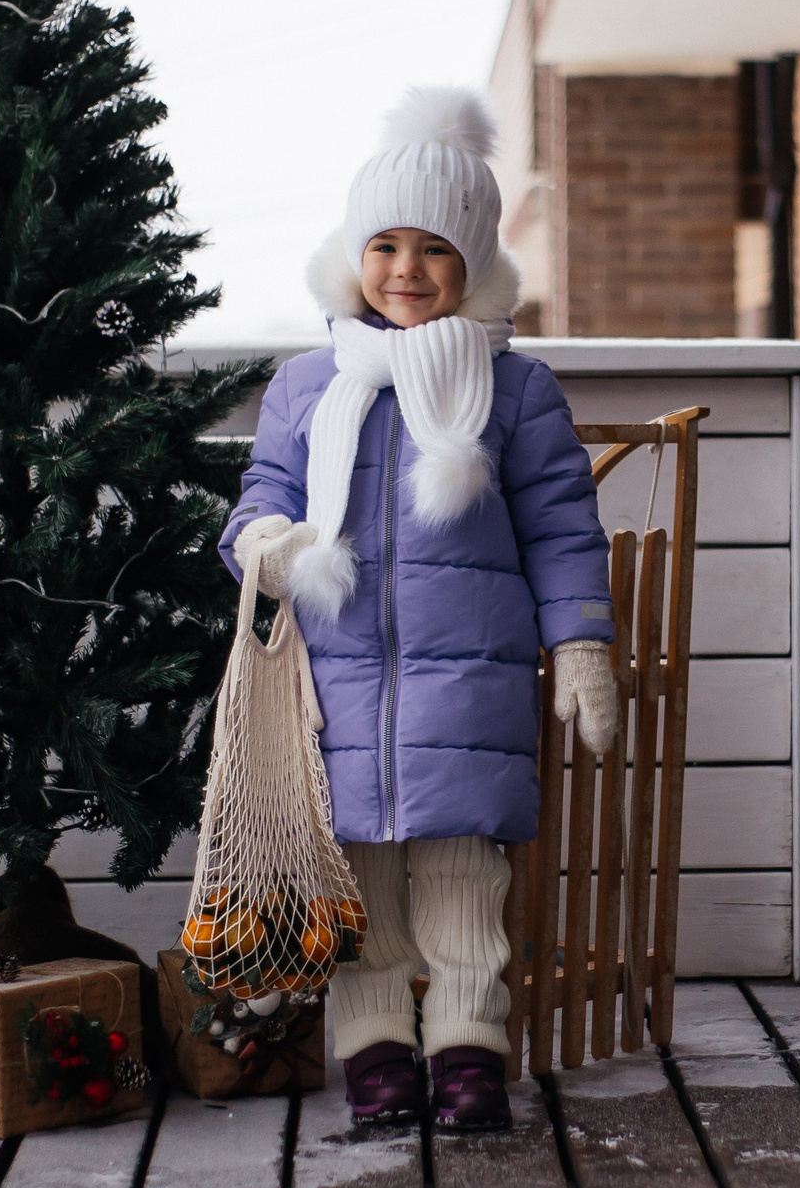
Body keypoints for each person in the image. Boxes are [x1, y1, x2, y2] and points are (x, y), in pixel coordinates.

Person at [219, 87, 619, 1130]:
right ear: (354, 256)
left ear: (474, 262)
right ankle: (376, 1053)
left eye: (435, 249)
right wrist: (261, 541)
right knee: (357, 882)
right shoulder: (308, 386)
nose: (406, 271)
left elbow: (563, 526)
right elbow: (263, 492)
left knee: (457, 877)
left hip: (468, 686)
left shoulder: (514, 389)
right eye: (384, 245)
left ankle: (470, 1048)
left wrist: (580, 644)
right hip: (337, 684)